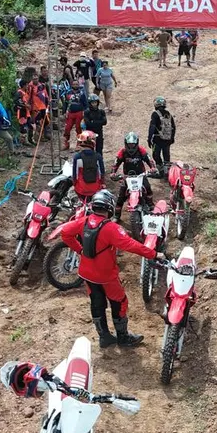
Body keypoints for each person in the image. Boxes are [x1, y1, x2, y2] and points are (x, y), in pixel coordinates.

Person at [59, 190, 165, 348]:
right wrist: (154, 254)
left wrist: (79, 250)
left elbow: (65, 233)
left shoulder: (83, 221)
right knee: (120, 302)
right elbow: (131, 245)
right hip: (106, 275)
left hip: (86, 273)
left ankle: (104, 337)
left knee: (96, 302)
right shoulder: (111, 228)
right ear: (109, 208)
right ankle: (123, 337)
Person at [112, 132, 156, 219]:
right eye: (129, 144)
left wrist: (153, 168)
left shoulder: (141, 150)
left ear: (136, 143)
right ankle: (116, 215)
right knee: (121, 196)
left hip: (140, 175)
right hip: (127, 177)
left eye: (133, 144)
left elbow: (149, 159)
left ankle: (150, 205)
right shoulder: (123, 152)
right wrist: (113, 172)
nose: (131, 146)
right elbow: (116, 163)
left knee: (148, 188)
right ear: (126, 143)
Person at [71, 132, 105, 200]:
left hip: (81, 190)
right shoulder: (98, 156)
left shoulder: (77, 157)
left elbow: (75, 176)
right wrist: (102, 183)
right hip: (96, 189)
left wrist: (74, 185)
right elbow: (102, 174)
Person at [147, 96, 175, 176]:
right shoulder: (168, 114)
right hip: (167, 139)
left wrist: (149, 139)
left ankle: (161, 171)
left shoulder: (155, 114)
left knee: (156, 155)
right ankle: (167, 173)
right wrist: (172, 138)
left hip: (157, 139)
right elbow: (173, 127)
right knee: (166, 156)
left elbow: (152, 127)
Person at [25, 72, 49, 141]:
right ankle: (36, 137)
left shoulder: (41, 85)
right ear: (32, 79)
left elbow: (45, 94)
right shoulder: (30, 86)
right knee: (36, 122)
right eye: (34, 79)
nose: (35, 80)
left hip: (43, 106)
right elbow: (28, 96)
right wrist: (28, 105)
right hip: (35, 107)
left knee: (45, 121)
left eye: (36, 78)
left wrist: (47, 101)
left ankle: (43, 135)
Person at [63, 83, 87, 150]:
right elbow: (66, 103)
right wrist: (64, 112)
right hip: (70, 113)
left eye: (76, 84)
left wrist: (85, 112)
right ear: (72, 85)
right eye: (74, 84)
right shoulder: (68, 93)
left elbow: (85, 103)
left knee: (78, 128)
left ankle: (79, 144)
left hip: (79, 112)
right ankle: (66, 143)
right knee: (67, 128)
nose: (75, 85)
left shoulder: (82, 93)